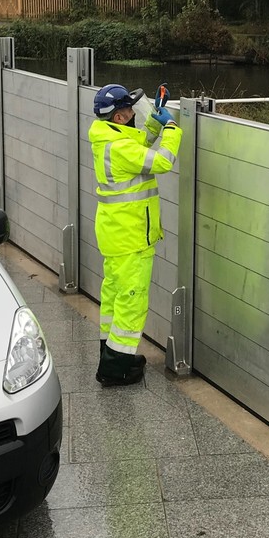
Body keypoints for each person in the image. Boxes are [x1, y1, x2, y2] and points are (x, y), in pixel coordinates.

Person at [89, 83, 183, 386]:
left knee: (114, 296)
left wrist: (154, 122)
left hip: (115, 233)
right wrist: (171, 127)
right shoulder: (119, 147)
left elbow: (139, 144)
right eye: (129, 109)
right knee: (132, 299)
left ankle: (113, 353)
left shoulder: (107, 137)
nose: (133, 113)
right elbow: (162, 161)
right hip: (131, 236)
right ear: (118, 117)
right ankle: (115, 369)